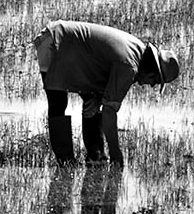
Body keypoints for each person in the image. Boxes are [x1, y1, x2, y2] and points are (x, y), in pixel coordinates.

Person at [33, 20, 180, 167]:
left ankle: (96, 158)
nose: (152, 85)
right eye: (155, 80)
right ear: (151, 69)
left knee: (92, 101)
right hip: (55, 41)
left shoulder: (136, 52)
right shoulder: (129, 66)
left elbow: (103, 83)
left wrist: (99, 98)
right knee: (58, 102)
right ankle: (66, 163)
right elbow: (109, 111)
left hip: (69, 46)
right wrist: (115, 152)